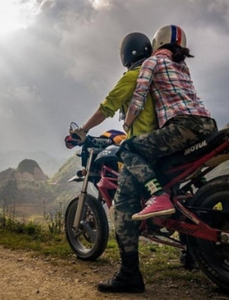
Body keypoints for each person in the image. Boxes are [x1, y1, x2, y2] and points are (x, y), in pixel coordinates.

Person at [97, 25, 217, 294]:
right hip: (208, 125)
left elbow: (137, 98)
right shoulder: (182, 66)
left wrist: (127, 125)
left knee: (126, 166)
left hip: (179, 127)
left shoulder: (150, 63)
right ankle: (193, 251)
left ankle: (130, 273)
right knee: (184, 186)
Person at [69, 32, 158, 294]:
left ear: (126, 54)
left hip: (144, 146)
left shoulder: (134, 77)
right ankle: (191, 253)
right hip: (168, 143)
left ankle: (130, 274)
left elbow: (107, 107)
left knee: (122, 209)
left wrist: (83, 130)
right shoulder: (159, 75)